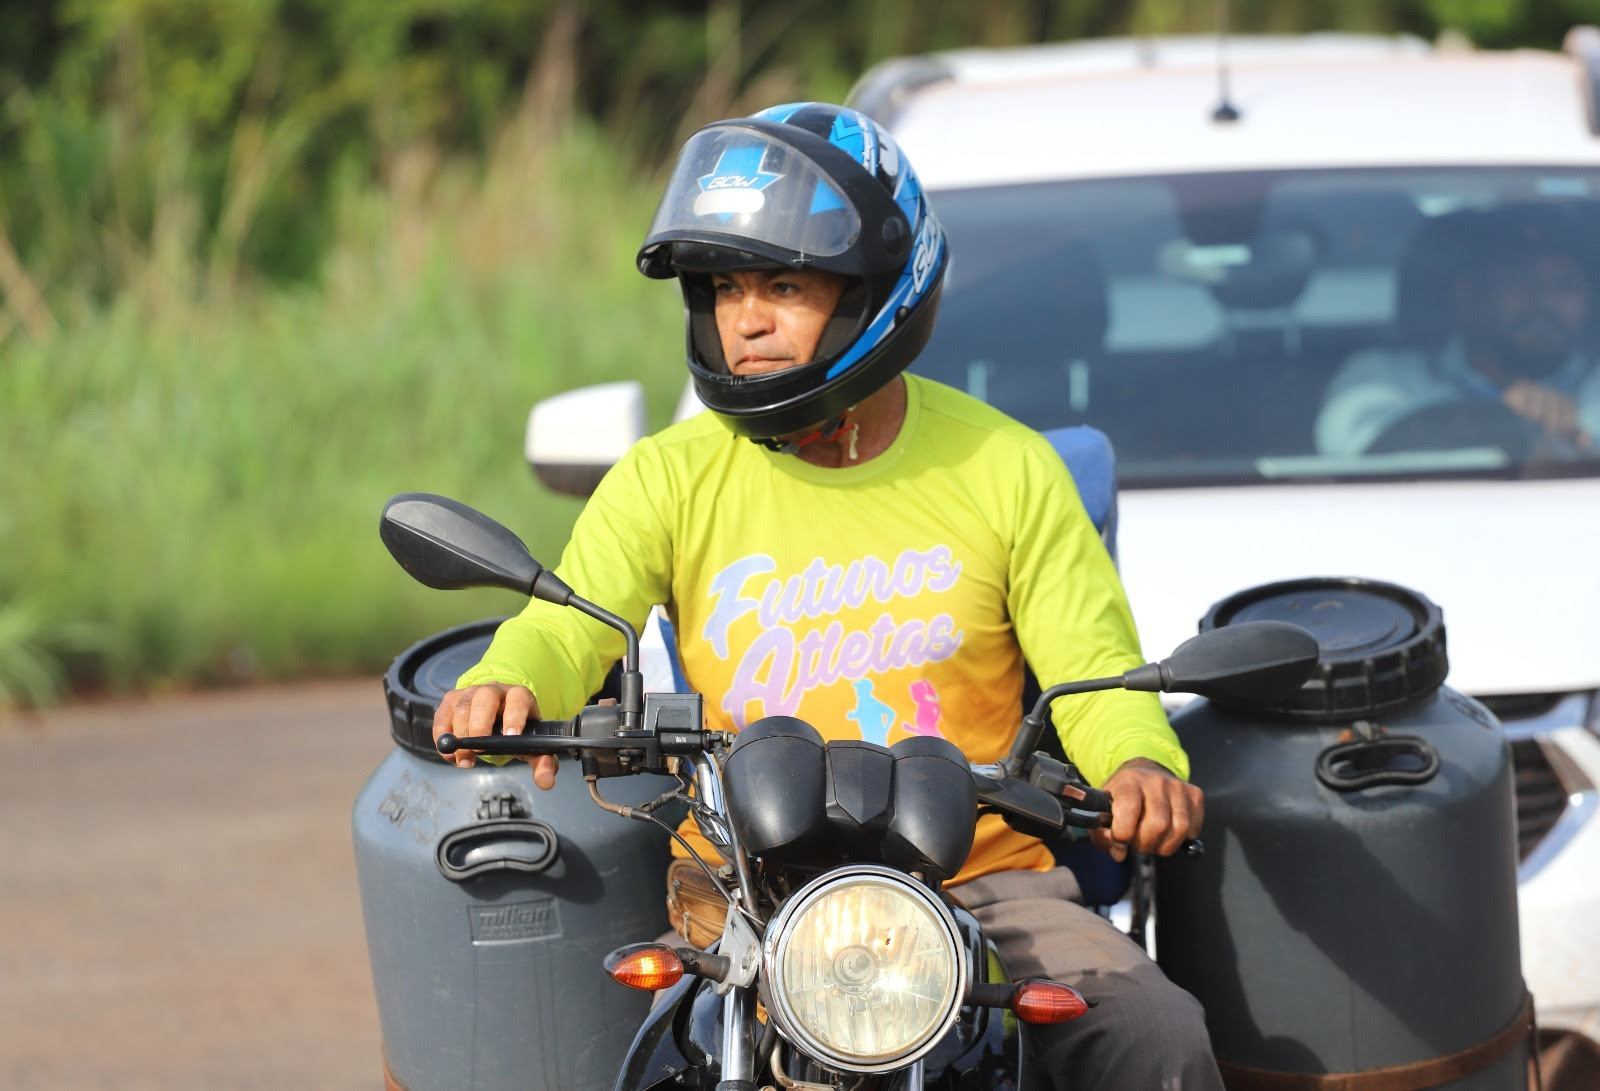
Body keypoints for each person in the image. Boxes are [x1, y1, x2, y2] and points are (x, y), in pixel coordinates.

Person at [433, 102, 1218, 1089]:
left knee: (1153, 1032)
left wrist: (1140, 762)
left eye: (783, 284)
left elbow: (1096, 672)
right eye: (724, 288)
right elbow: (566, 622)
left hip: (979, 884)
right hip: (747, 892)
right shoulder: (665, 476)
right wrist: (508, 679)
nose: (746, 317)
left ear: (874, 291)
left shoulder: (1005, 467)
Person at [1316, 205, 1600, 457]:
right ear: (1470, 296)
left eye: (1566, 285)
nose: (1546, 300)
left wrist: (1567, 436)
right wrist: (1511, 424)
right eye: (1520, 280)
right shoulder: (1381, 375)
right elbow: (1357, 447)